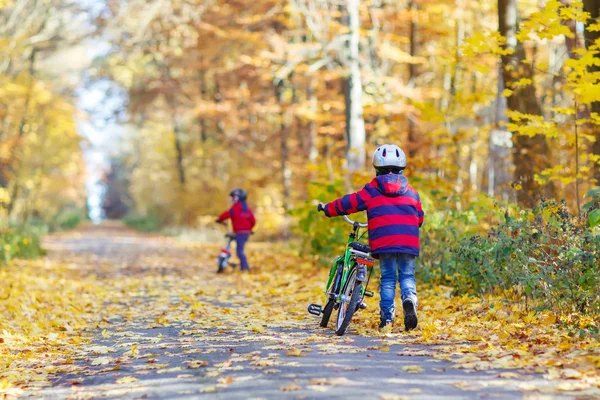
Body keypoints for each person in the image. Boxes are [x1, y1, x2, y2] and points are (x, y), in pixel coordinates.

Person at [317, 144, 424, 331]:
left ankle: (387, 319)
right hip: (408, 241)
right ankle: (409, 299)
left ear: (377, 168)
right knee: (407, 275)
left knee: (389, 278)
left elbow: (349, 203)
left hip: (385, 243)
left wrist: (328, 209)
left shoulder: (373, 190)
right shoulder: (412, 192)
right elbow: (420, 218)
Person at [216, 188, 256, 272]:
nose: (231, 199)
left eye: (233, 197)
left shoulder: (235, 208)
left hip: (240, 232)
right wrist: (249, 229)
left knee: (239, 251)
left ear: (237, 198)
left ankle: (245, 266)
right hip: (244, 232)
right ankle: (239, 264)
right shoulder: (247, 209)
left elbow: (226, 214)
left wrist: (219, 219)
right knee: (237, 246)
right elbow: (253, 221)